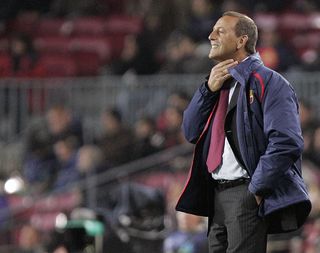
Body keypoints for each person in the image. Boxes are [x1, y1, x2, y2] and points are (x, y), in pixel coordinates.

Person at [175, 11, 311, 253]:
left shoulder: (271, 82)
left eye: (220, 31)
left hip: (245, 193)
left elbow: (286, 141)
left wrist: (256, 189)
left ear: (241, 41)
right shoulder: (216, 84)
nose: (210, 36)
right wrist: (207, 90)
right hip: (216, 195)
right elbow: (190, 130)